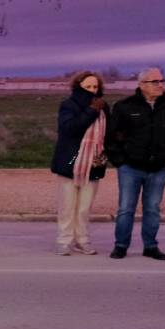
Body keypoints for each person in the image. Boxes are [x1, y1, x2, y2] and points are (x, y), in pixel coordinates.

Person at [104, 67, 165, 260]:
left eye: (162, 81)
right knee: (126, 208)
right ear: (142, 84)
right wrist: (120, 161)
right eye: (155, 82)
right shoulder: (124, 106)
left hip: (159, 168)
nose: (160, 85)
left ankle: (150, 246)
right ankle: (121, 245)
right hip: (130, 168)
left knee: (152, 208)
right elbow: (111, 137)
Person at [50, 71, 109, 255]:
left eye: (95, 86)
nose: (92, 90)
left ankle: (82, 240)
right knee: (67, 205)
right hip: (71, 159)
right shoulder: (68, 105)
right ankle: (64, 240)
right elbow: (70, 128)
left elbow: (109, 133)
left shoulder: (104, 106)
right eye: (88, 86)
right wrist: (91, 111)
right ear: (78, 86)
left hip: (96, 160)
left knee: (84, 207)